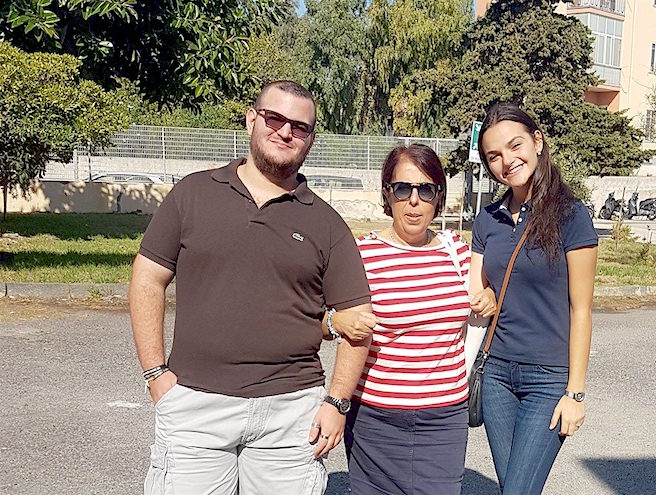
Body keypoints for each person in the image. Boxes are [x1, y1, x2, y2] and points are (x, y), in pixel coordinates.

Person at [129, 80, 373, 495]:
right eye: (274, 118)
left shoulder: (327, 224)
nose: (286, 132)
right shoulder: (193, 194)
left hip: (291, 413)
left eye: (300, 126)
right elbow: (148, 278)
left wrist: (336, 402)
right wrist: (155, 374)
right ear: (251, 120)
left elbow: (358, 322)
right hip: (196, 406)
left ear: (311, 140)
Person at [326, 144, 496, 495]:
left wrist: (490, 296)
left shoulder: (456, 250)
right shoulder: (362, 254)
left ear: (438, 196)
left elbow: (483, 298)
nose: (414, 201)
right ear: (388, 194)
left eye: (426, 190)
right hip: (375, 418)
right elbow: (313, 315)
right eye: (403, 189)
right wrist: (333, 322)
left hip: (444, 417)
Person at [471, 102, 599, 494]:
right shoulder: (487, 220)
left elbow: (581, 310)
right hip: (496, 377)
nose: (507, 161)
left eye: (515, 146)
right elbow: (477, 291)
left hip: (548, 378)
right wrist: (485, 295)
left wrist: (575, 393)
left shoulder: (571, 216)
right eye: (494, 155)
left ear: (537, 142)